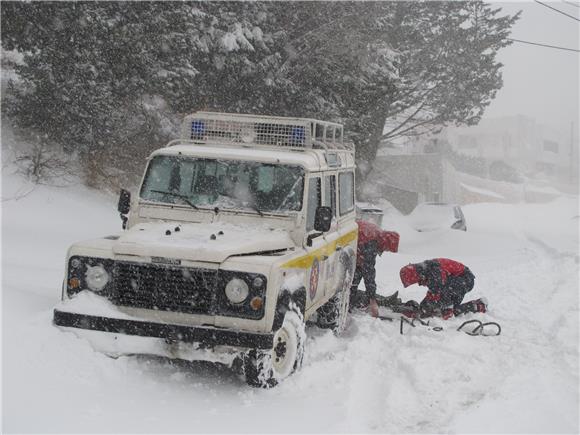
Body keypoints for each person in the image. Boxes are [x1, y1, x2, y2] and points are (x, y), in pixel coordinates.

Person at [399, 258, 487, 318]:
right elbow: (433, 292)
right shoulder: (427, 269)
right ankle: (478, 305)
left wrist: (423, 310)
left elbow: (437, 291)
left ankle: (450, 308)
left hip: (466, 280)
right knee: (453, 310)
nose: (419, 284)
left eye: (417, 281)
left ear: (417, 275)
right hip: (460, 280)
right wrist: (423, 308)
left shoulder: (434, 271)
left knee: (446, 307)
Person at [350, 220, 400, 317]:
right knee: (353, 281)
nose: (384, 251)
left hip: (351, 249)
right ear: (386, 243)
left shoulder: (378, 233)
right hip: (345, 251)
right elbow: (369, 273)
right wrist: (372, 300)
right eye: (387, 249)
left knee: (355, 280)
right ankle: (351, 301)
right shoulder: (372, 242)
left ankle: (351, 300)